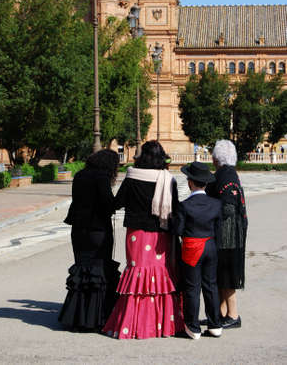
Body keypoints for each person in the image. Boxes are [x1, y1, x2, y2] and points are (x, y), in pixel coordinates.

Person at [103, 140, 184, 339]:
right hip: (160, 233)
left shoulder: (132, 176)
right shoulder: (168, 179)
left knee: (137, 273)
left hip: (136, 233)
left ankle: (131, 322)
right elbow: (175, 208)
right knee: (160, 273)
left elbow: (117, 202)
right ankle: (162, 324)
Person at [58, 149, 120, 332]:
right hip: (97, 229)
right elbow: (107, 203)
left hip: (78, 229)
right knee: (98, 271)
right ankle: (95, 317)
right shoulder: (101, 177)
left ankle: (77, 316)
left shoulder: (80, 175)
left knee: (82, 269)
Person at [172, 162, 223, 340]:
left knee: (192, 288)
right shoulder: (216, 204)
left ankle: (193, 327)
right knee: (211, 286)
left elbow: (177, 230)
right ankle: (215, 324)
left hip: (193, 247)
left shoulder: (184, 206)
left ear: (190, 183)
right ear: (206, 183)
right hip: (211, 245)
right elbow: (219, 229)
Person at [206, 139, 248, 329]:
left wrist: (209, 213)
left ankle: (233, 315)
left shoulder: (226, 175)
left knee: (227, 275)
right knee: (222, 275)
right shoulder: (227, 173)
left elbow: (229, 207)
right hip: (229, 234)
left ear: (217, 158)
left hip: (228, 235)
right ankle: (221, 314)